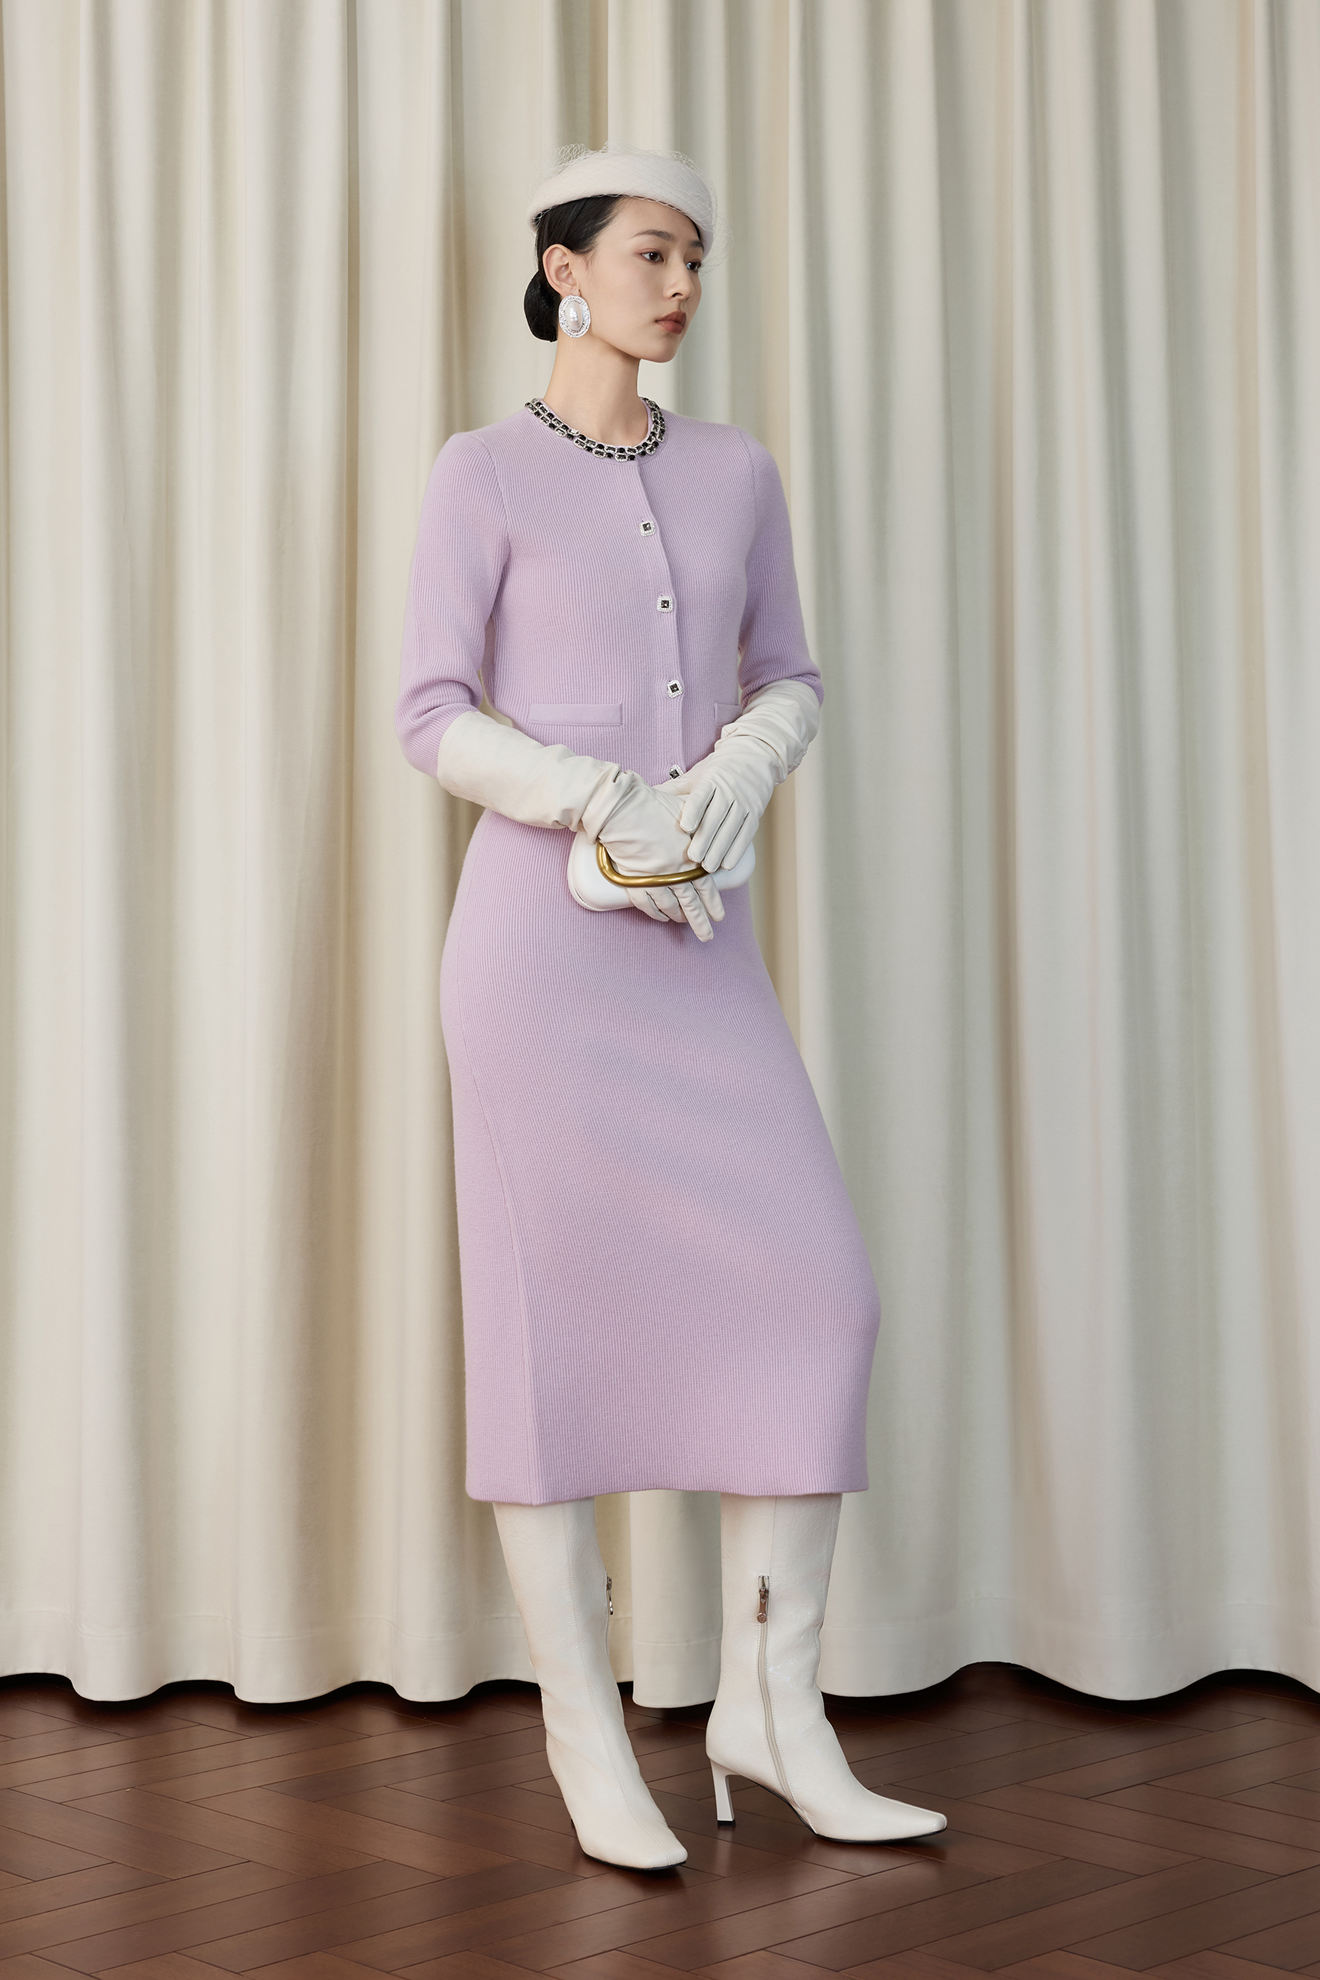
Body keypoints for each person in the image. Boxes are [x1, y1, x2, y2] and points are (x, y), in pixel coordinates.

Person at [394, 140, 946, 1870]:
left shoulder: (735, 471)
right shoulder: (480, 471)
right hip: (537, 962)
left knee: (817, 1298)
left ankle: (772, 1711)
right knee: (550, 1341)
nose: (682, 283)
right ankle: (586, 1738)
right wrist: (594, 793)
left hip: (701, 947)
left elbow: (790, 675)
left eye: (695, 255)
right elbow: (429, 711)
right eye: (650, 252)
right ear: (563, 269)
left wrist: (737, 772)